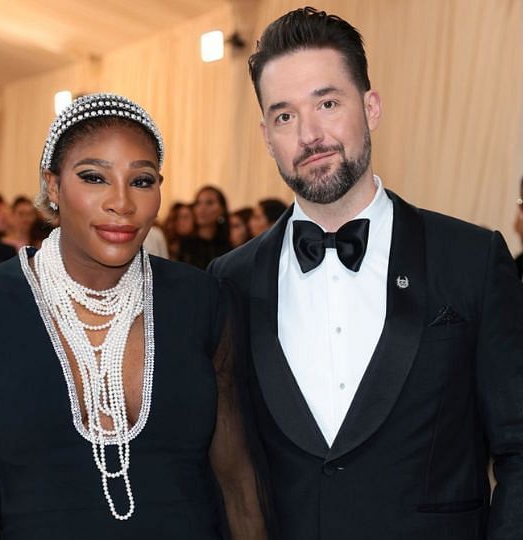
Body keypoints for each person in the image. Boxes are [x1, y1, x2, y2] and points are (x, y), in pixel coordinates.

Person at [208, 7, 523, 538]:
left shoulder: (471, 258)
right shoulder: (227, 281)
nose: (310, 134)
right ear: (266, 135)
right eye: (284, 116)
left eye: (327, 103)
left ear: (370, 107)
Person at [0, 93, 266, 539]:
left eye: (143, 181)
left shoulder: (205, 302)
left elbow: (239, 486)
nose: (122, 203)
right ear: (52, 186)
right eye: (94, 177)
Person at [178, 185, 232, 268]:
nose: (202, 209)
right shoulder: (185, 244)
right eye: (198, 203)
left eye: (209, 203)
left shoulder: (229, 243)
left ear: (222, 209)